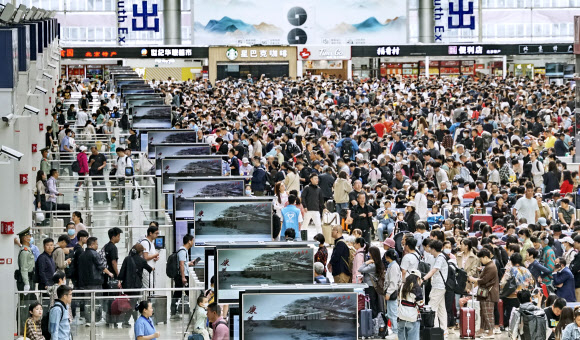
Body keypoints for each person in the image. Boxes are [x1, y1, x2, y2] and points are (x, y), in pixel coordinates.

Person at [468, 248, 499, 339]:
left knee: (488, 313)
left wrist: (474, 280)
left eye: (481, 259)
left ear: (485, 257)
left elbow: (484, 280)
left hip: (489, 294)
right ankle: (482, 330)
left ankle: (490, 332)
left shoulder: (491, 267)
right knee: (483, 313)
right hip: (485, 293)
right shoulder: (489, 266)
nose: (480, 261)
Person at [500, 253, 534, 329]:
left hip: (512, 296)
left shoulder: (510, 270)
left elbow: (503, 283)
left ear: (511, 261)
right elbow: (531, 283)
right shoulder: (526, 270)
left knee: (510, 313)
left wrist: (503, 290)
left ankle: (509, 326)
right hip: (524, 296)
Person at [422, 239, 448, 336]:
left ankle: (435, 329)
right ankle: (443, 329)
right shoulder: (441, 257)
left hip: (438, 286)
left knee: (432, 308)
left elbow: (434, 270)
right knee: (441, 308)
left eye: (430, 249)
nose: (430, 250)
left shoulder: (440, 258)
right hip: (441, 286)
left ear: (433, 249)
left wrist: (423, 278)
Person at [171, 234, 199, 319]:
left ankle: (174, 312)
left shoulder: (184, 251)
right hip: (181, 276)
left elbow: (184, 264)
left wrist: (190, 263)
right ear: (189, 241)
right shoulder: (182, 251)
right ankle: (173, 312)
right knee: (180, 293)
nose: (193, 242)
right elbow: (181, 265)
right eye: (192, 240)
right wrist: (183, 277)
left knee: (180, 293)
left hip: (183, 275)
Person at [397, 270, 423, 340]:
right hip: (412, 318)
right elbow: (420, 304)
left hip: (401, 316)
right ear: (418, 278)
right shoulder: (416, 287)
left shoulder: (402, 285)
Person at [384, 248, 402, 336]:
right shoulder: (392, 265)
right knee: (390, 312)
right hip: (391, 291)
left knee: (393, 312)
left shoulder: (394, 267)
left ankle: (396, 331)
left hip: (391, 292)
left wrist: (388, 293)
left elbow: (393, 282)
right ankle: (393, 330)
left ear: (387, 257)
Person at [140, 224, 160, 289]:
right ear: (150, 233)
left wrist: (154, 258)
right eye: (156, 233)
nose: (157, 235)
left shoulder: (151, 243)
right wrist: (155, 255)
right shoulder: (145, 243)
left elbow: (149, 256)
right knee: (149, 288)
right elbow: (145, 257)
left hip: (150, 269)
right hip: (146, 270)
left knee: (151, 288)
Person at [16, 227, 35, 292]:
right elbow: (24, 268)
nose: (31, 238)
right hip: (26, 280)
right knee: (25, 301)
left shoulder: (27, 249)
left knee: (31, 300)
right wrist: (26, 283)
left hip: (30, 278)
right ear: (25, 239)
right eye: (29, 236)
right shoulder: (24, 252)